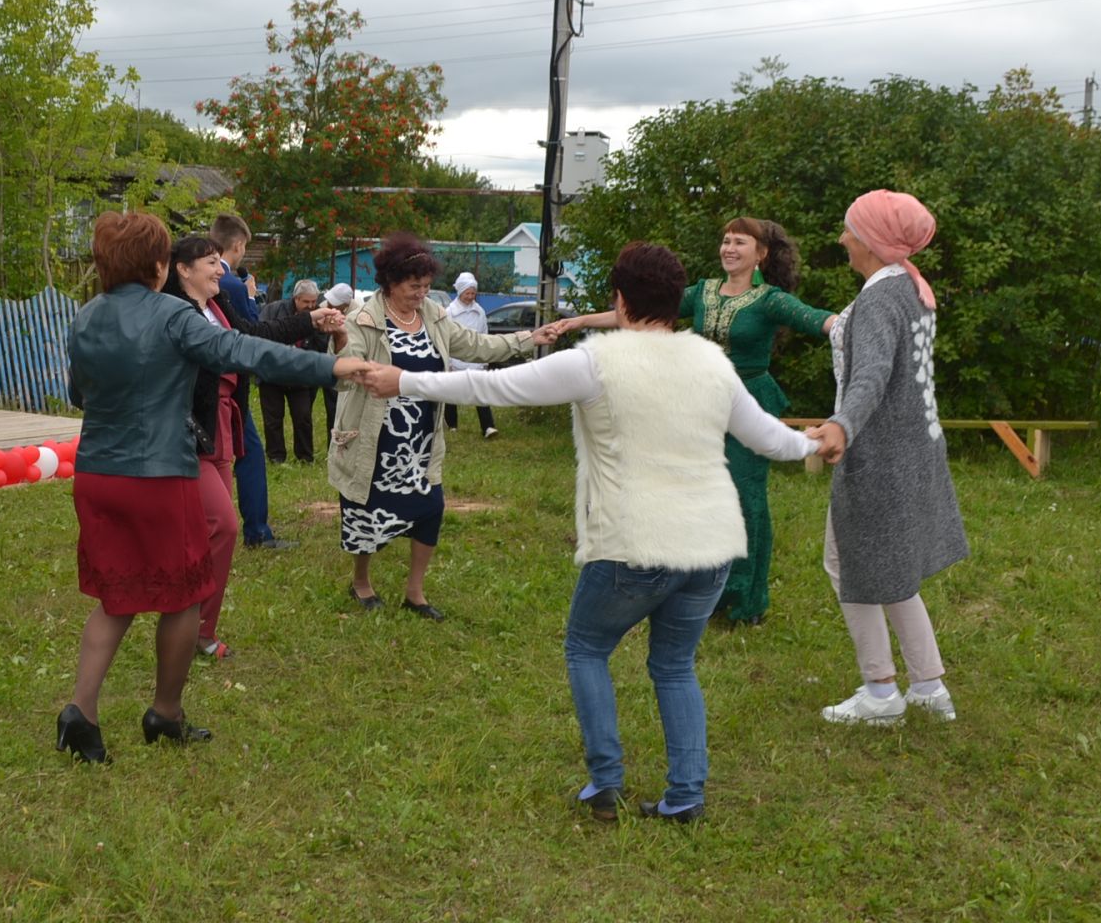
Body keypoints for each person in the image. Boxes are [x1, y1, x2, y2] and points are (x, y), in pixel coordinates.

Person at [355, 242, 823, 822]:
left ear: (619, 300)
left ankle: (606, 784)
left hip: (635, 542)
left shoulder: (594, 361)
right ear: (679, 304)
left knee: (587, 647)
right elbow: (771, 440)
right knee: (675, 665)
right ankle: (687, 796)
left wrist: (404, 381)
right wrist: (818, 443)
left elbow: (491, 388)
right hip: (711, 547)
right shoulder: (712, 362)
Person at [57, 212, 367, 763]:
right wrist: (333, 368)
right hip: (158, 473)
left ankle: (80, 712)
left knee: (117, 594)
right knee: (180, 595)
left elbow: (80, 396)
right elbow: (244, 352)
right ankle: (165, 714)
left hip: (97, 474)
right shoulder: (175, 315)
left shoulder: (85, 318)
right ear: (158, 265)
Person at [555, 218, 835, 624]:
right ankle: (704, 590)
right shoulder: (703, 292)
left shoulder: (769, 299)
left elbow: (817, 320)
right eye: (725, 241)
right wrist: (577, 322)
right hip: (701, 399)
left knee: (745, 496)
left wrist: (855, 322)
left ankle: (744, 599)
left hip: (752, 402)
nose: (729, 248)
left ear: (761, 254)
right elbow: (640, 311)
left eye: (740, 242)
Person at [806, 190, 968, 728]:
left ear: (872, 241)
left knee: (849, 564)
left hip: (881, 453)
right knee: (892, 569)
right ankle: (928, 685)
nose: (842, 239)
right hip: (914, 446)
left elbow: (871, 375)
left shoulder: (880, 298)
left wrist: (841, 425)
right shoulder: (909, 288)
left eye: (849, 230)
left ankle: (881, 691)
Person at [329, 232, 541, 619]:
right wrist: (340, 340)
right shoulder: (361, 319)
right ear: (391, 281)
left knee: (430, 509)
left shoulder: (434, 317)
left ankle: (415, 593)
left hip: (422, 440)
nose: (421, 293)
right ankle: (361, 580)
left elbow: (478, 346)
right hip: (375, 438)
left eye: (426, 286)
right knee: (365, 511)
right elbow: (346, 373)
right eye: (414, 286)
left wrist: (529, 339)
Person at [163, 242, 344, 658]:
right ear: (183, 270)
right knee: (223, 525)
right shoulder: (174, 313)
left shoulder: (219, 304)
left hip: (223, 425)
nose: (220, 269)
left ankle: (200, 629)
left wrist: (308, 320)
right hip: (189, 433)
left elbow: (254, 336)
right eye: (211, 263)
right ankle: (189, 627)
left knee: (215, 531)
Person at [210, 213, 285, 549]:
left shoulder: (200, 275)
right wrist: (252, 295)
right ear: (238, 245)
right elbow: (252, 329)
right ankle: (257, 529)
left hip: (209, 382)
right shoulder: (231, 285)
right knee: (249, 453)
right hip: (232, 383)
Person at [259, 279, 330, 464]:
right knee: (273, 419)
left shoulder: (318, 315)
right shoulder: (274, 310)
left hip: (301, 376)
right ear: (296, 298)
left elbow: (322, 347)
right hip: (272, 374)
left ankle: (305, 457)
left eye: (314, 302)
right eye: (306, 302)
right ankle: (276, 457)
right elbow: (261, 335)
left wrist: (321, 331)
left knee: (303, 417)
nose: (311, 306)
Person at [442, 272, 500, 439]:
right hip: (456, 359)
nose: (470, 296)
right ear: (460, 292)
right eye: (467, 293)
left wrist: (485, 357)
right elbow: (446, 338)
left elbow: (484, 334)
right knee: (452, 392)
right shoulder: (449, 312)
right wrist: (449, 361)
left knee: (480, 392)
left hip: (475, 360)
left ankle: (488, 427)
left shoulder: (479, 311)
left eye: (473, 293)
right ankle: (451, 424)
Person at [320, 283, 356, 432]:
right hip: (330, 363)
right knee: (331, 409)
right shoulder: (325, 306)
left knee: (343, 411)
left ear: (346, 306)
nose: (329, 305)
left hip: (348, 369)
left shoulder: (357, 317)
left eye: (334, 303)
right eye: (329, 301)